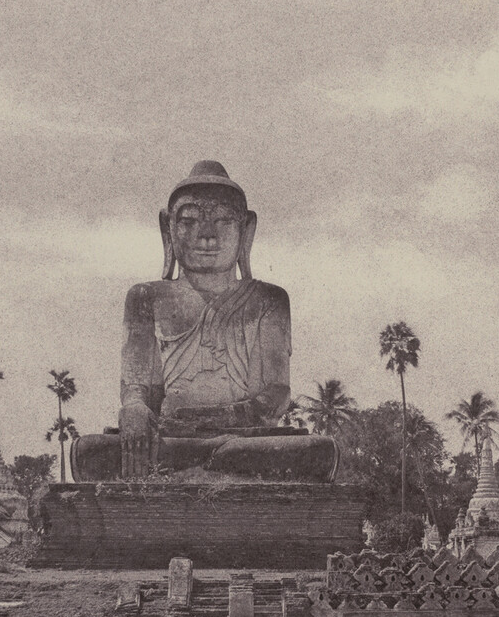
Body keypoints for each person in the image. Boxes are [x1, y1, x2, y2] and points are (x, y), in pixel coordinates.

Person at [71, 161, 337, 483]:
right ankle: (216, 459)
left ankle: (217, 457)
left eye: (224, 220)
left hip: (246, 439)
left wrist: (223, 418)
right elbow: (136, 388)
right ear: (167, 229)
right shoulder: (146, 298)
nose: (207, 236)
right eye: (190, 221)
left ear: (246, 229)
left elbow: (277, 393)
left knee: (317, 451)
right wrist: (136, 409)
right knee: (91, 452)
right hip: (171, 439)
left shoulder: (269, 300)